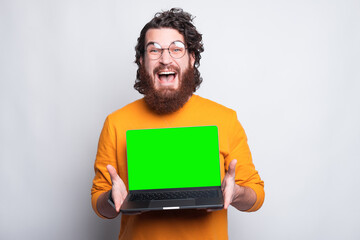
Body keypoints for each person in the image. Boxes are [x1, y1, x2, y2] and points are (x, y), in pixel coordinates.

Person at [91, 8, 264, 240]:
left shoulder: (225, 118)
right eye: (154, 50)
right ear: (142, 60)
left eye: (176, 49)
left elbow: (256, 197)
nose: (165, 58)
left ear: (192, 57)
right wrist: (112, 198)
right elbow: (99, 205)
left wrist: (236, 193)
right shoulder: (116, 122)